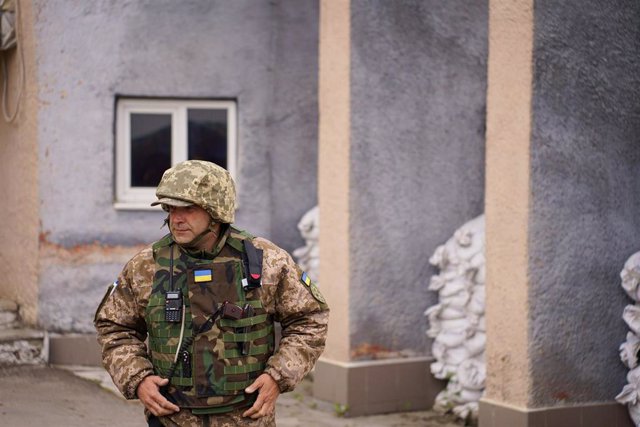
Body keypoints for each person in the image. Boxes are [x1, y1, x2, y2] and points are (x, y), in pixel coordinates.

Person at [94, 160, 329, 427]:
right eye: (170, 209)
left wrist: (278, 376)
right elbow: (114, 327)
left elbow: (310, 319)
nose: (176, 219)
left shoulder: (266, 261)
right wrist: (138, 378)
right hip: (172, 418)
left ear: (215, 210)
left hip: (246, 419)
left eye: (188, 209)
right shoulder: (146, 266)